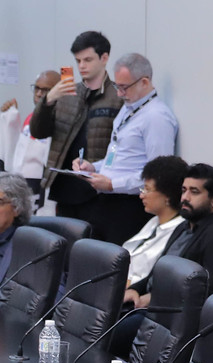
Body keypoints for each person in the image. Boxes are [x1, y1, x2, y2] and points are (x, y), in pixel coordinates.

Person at [68, 53, 176, 245]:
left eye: (124, 87)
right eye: (117, 86)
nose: (119, 94)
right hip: (106, 202)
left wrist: (113, 184)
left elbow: (158, 176)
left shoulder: (157, 117)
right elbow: (119, 156)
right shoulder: (129, 109)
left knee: (115, 259)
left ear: (144, 82)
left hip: (131, 206)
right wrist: (93, 167)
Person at [28, 30, 119, 217]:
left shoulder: (117, 96)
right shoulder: (67, 93)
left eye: (88, 60)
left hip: (98, 189)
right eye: (78, 61)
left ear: (104, 58)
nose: (82, 66)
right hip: (64, 186)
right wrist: (48, 100)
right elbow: (38, 132)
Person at [156, 161, 213, 296]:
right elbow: (156, 272)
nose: (185, 198)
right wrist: (136, 290)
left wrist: (151, 298)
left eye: (194, 192)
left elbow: (210, 290)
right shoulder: (182, 226)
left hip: (172, 305)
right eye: (184, 190)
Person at [119, 155, 188, 305]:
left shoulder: (179, 230)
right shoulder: (154, 221)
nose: (141, 195)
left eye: (147, 189)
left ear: (167, 196)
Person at [0, 71, 56, 196]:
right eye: (37, 88)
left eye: (45, 90)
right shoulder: (31, 118)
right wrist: (11, 122)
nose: (39, 94)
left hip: (42, 190)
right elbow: (19, 152)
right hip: (22, 186)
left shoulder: (61, 122)